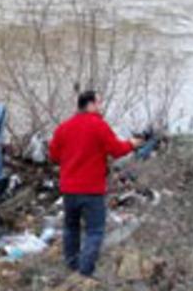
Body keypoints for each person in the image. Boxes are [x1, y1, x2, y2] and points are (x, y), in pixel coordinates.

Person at [48, 91, 144, 278]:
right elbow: (117, 150)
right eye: (99, 102)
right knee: (95, 231)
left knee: (70, 228)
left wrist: (70, 160)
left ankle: (72, 266)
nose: (101, 106)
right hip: (91, 189)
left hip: (69, 189)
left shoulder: (64, 127)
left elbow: (53, 156)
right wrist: (132, 144)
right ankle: (84, 273)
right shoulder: (98, 125)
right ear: (90, 104)